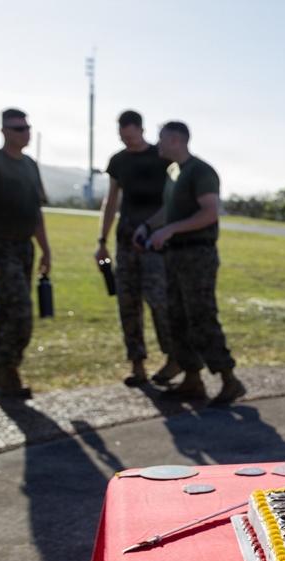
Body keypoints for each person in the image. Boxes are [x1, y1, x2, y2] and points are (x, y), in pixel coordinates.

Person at [132, 121, 245, 407]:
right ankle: (192, 380)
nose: (156, 144)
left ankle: (229, 379)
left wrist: (169, 230)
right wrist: (149, 225)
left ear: (173, 140)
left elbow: (209, 213)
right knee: (177, 317)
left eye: (160, 139)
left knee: (201, 316)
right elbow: (168, 211)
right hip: (174, 255)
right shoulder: (174, 171)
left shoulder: (200, 170)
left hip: (197, 255)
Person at [97, 110, 180, 387]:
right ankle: (137, 365)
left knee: (159, 300)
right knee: (127, 302)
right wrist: (102, 241)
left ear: (141, 130)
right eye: (123, 136)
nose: (127, 141)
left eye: (131, 136)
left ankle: (174, 358)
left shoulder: (161, 156)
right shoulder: (118, 160)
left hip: (156, 239)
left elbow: (175, 197)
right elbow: (111, 201)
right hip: (127, 238)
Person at [0, 109, 52, 398]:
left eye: (26, 127)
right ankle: (9, 373)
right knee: (20, 312)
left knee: (6, 312)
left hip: (24, 247)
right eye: (17, 128)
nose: (23, 132)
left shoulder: (29, 165)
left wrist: (45, 250)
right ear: (3, 131)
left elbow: (36, 211)